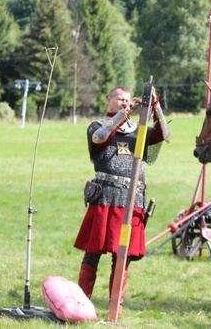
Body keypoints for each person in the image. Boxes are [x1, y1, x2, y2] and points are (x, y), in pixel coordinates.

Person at [74, 86, 167, 312]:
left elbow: (164, 134)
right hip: (105, 196)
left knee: (122, 256)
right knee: (93, 252)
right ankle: (81, 303)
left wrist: (155, 105)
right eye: (120, 99)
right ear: (109, 100)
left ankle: (116, 306)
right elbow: (100, 138)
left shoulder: (139, 130)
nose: (124, 103)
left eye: (127, 100)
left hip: (131, 199)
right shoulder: (97, 126)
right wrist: (122, 116)